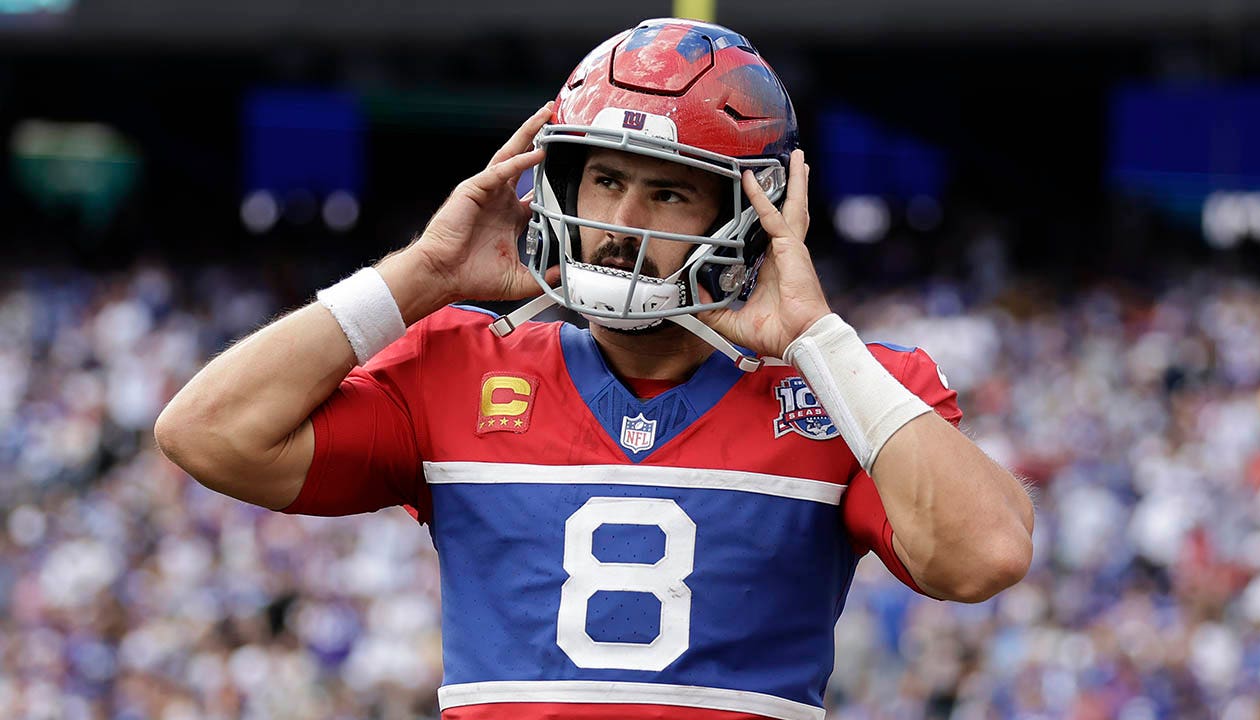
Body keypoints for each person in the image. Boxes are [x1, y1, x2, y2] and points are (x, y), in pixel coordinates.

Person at [156, 17, 1034, 720]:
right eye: (603, 180)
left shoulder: (845, 389)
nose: (620, 223)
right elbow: (205, 432)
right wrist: (419, 275)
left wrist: (818, 342)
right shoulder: (456, 363)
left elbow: (984, 557)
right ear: (558, 189)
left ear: (750, 208)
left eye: (669, 191)